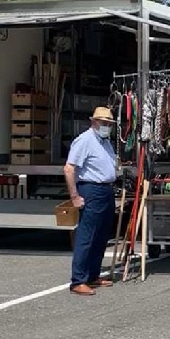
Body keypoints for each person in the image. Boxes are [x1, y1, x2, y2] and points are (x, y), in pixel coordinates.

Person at [64, 107, 118, 296]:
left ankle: (93, 274)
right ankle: (78, 280)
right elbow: (69, 169)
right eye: (103, 123)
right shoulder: (85, 140)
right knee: (87, 235)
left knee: (102, 235)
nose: (106, 126)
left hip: (105, 189)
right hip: (91, 188)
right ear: (94, 122)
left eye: (109, 124)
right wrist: (74, 196)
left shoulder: (105, 142)